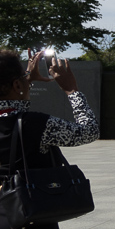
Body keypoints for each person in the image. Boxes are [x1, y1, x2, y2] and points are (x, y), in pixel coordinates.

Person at [0, 49, 100, 228]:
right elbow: (89, 131)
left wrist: (25, 80)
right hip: (31, 214)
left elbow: (11, 107)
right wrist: (71, 90)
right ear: (16, 85)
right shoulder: (36, 124)